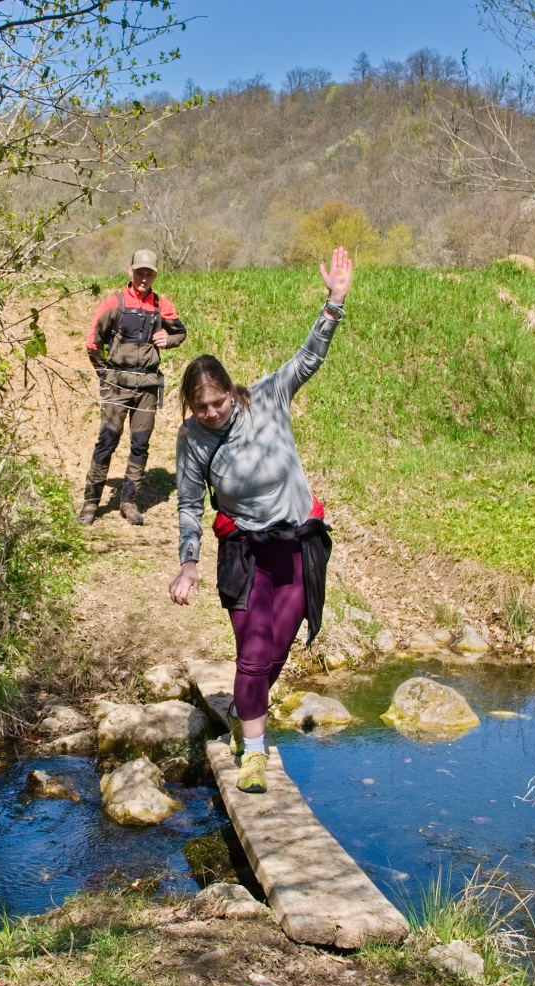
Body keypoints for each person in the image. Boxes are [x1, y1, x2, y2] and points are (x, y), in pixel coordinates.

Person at [167, 246, 353, 794]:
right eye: (202, 408)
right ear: (189, 407)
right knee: (251, 653)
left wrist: (333, 304)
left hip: (295, 545)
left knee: (276, 648)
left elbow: (307, 359)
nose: (213, 414)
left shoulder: (267, 398)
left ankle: (247, 716)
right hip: (244, 554)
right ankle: (253, 751)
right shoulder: (192, 440)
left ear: (231, 392)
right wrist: (188, 563)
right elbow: (187, 501)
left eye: (219, 403)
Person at [80, 249, 188, 526]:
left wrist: (170, 339)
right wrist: (106, 375)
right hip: (117, 386)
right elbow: (93, 343)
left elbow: (181, 332)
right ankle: (91, 504)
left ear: (155, 275)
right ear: (130, 272)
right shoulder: (113, 303)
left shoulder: (161, 305)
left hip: (148, 387)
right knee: (107, 442)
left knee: (140, 445)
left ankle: (129, 502)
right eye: (139, 272)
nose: (143, 277)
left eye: (149, 273)